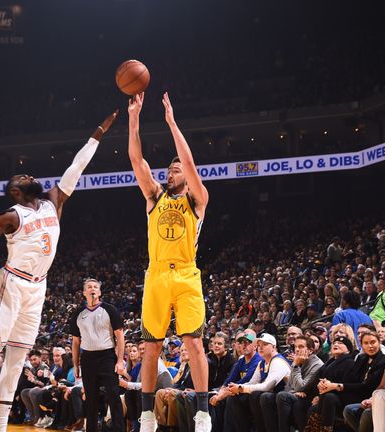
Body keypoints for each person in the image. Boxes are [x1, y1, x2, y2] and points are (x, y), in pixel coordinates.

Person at [0, 110, 118, 432]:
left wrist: (99, 132)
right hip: (10, 285)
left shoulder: (53, 201)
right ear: (16, 192)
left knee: (17, 360)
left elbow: (77, 166)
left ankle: (0, 427)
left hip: (37, 288)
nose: (28, 175)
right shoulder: (12, 215)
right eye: (21, 177)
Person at [127, 91, 211, 432]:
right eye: (170, 169)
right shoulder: (154, 197)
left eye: (175, 169)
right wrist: (134, 118)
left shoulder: (197, 199)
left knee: (194, 343)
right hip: (157, 276)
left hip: (187, 275)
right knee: (151, 346)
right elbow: (137, 160)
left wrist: (172, 123)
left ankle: (203, 412)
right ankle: (147, 414)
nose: (171, 172)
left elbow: (190, 164)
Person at [69, 278, 126, 432]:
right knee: (90, 399)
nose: (92, 289)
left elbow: (120, 336)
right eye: (89, 287)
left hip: (107, 356)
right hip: (87, 358)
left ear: (99, 292)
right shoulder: (77, 314)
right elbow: (75, 342)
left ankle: (119, 429)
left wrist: (120, 361)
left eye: (95, 287)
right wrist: (75, 365)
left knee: (113, 396)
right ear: (84, 292)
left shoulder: (110, 309)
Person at [305, 330, 385, 432]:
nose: (370, 346)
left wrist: (335, 386)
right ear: (362, 345)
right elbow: (352, 380)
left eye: (373, 342)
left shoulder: (383, 360)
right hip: (355, 393)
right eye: (366, 343)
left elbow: (366, 386)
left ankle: (325, 429)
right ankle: (320, 429)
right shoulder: (362, 358)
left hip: (368, 396)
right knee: (326, 396)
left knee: (329, 396)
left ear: (379, 342)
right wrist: (325, 385)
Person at [222, 334, 290, 432]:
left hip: (284, 397)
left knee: (259, 395)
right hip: (271, 396)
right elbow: (252, 382)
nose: (261, 347)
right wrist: (236, 387)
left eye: (265, 344)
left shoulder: (278, 362)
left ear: (274, 347)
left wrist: (241, 388)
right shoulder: (261, 363)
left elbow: (267, 386)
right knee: (235, 396)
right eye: (258, 345)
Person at [262, 335, 323, 432]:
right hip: (296, 395)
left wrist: (295, 366)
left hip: (309, 398)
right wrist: (293, 392)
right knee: (265, 397)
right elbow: (288, 386)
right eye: (295, 347)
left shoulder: (317, 364)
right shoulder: (298, 360)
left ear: (311, 350)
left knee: (282, 396)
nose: (297, 350)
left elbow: (301, 387)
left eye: (301, 347)